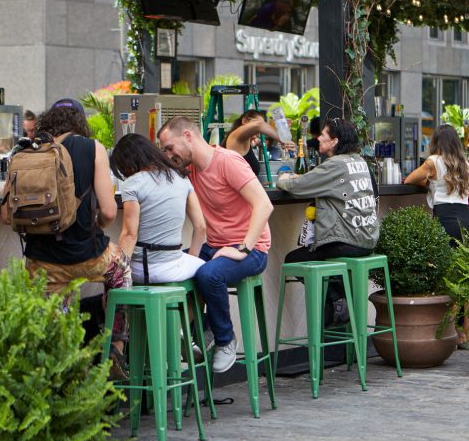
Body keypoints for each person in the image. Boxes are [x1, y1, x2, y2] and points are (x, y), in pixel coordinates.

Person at [2, 99, 129, 363]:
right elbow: (108, 211)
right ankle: (115, 346)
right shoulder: (91, 148)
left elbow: (6, 215)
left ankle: (65, 369)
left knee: (54, 323)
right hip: (90, 257)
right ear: (80, 123)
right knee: (123, 271)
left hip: (42, 264)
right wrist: (95, 228)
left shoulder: (24, 153)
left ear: (46, 121)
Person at [158, 116, 274, 373]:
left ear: (188, 136)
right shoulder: (190, 170)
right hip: (216, 245)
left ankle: (224, 339)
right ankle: (198, 332)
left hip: (252, 248)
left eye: (169, 148)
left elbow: (264, 205)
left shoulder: (227, 161)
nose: (168, 155)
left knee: (209, 274)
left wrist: (243, 248)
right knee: (171, 266)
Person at [276, 118, 378, 322]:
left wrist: (285, 179)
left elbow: (296, 187)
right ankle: (340, 300)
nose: (319, 137)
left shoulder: (335, 165)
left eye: (323, 134)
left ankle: (338, 299)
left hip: (346, 241)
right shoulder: (359, 161)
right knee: (325, 262)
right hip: (367, 239)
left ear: (334, 141)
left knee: (293, 259)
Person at [110, 133, 206, 285]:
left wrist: (118, 277)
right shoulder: (182, 178)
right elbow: (201, 227)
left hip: (142, 269)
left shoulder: (132, 184)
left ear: (127, 162)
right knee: (203, 270)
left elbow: (129, 235)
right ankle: (190, 308)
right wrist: (191, 259)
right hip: (174, 265)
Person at [405, 123, 469, 243]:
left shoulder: (433, 161)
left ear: (435, 142)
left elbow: (409, 179)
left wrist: (429, 183)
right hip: (467, 218)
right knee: (463, 260)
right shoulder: (464, 163)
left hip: (445, 217)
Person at [223, 109, 294, 177]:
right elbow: (259, 125)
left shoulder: (246, 141)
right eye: (256, 123)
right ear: (244, 120)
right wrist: (283, 139)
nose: (260, 130)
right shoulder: (236, 136)